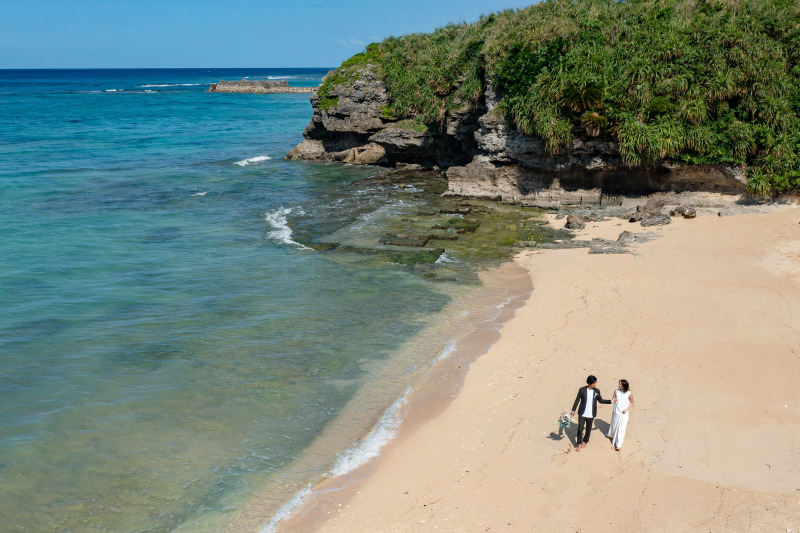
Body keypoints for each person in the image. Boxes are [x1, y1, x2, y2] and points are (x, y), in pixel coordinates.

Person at [570, 375, 611, 451]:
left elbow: (600, 400)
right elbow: (577, 400)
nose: (595, 384)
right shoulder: (582, 390)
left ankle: (585, 441)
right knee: (580, 428)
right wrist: (573, 410)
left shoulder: (596, 391)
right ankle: (579, 443)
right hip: (582, 413)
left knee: (588, 429)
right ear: (590, 382)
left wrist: (610, 401)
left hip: (591, 414)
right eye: (594, 382)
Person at [606, 379, 634, 450]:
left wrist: (626, 409)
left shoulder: (629, 393)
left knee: (622, 427)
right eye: (619, 384)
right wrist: (614, 400)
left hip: (624, 413)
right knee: (614, 424)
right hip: (616, 411)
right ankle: (611, 434)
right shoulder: (616, 391)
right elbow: (613, 399)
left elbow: (632, 402)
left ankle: (619, 443)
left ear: (624, 385)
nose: (619, 385)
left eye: (620, 384)